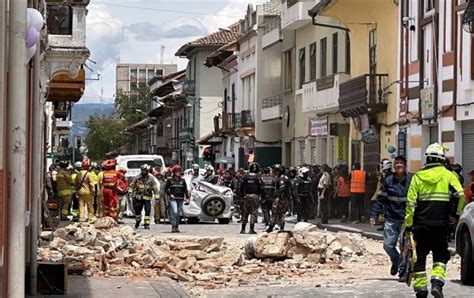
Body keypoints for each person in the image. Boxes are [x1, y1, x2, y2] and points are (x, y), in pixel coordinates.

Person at [405, 143, 465, 298]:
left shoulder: (417, 176)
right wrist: (456, 214)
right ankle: (437, 283)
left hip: (420, 225)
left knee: (419, 258)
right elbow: (461, 194)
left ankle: (421, 291)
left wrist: (408, 225)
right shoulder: (449, 175)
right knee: (440, 256)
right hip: (441, 225)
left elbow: (410, 203)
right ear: (442, 159)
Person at [369, 155, 410, 281]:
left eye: (401, 163)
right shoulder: (388, 181)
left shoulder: (411, 181)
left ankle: (403, 272)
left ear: (405, 166)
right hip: (391, 219)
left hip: (406, 219)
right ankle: (396, 261)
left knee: (404, 247)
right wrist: (374, 214)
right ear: (393, 166)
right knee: (387, 245)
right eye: (396, 163)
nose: (398, 165)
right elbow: (380, 199)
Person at [129, 164, 159, 229]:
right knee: (138, 211)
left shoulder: (151, 178)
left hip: (147, 198)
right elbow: (131, 185)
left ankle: (146, 224)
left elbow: (155, 188)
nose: (144, 172)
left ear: (147, 171)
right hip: (138, 198)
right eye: (143, 170)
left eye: (145, 170)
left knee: (148, 211)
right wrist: (130, 191)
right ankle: (138, 221)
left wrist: (157, 197)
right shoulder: (137, 178)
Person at [164, 165, 189, 232]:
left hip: (180, 199)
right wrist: (170, 194)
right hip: (173, 199)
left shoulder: (183, 180)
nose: (178, 173)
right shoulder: (170, 180)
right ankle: (173, 226)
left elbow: (185, 190)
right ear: (174, 172)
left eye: (179, 171)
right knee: (174, 211)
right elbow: (166, 189)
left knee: (178, 213)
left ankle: (177, 227)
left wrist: (187, 198)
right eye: (177, 171)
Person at [267, 164, 291, 232]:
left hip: (281, 199)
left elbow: (282, 187)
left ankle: (271, 227)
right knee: (281, 213)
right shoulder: (285, 177)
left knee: (275, 212)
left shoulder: (281, 178)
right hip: (285, 198)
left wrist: (277, 197)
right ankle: (281, 228)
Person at [239, 162, 262, 234]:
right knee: (253, 212)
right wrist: (260, 195)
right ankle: (251, 229)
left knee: (245, 212)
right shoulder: (258, 177)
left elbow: (241, 186)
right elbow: (261, 187)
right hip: (255, 196)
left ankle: (243, 229)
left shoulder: (245, 176)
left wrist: (242, 196)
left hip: (247, 196)